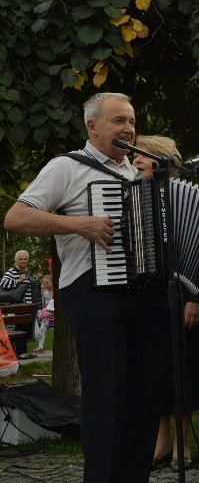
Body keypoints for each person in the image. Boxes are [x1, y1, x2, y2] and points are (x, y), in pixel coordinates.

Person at [4, 92, 170, 482]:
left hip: (144, 297)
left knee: (144, 398)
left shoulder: (137, 174)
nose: (128, 128)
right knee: (106, 398)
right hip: (94, 295)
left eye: (131, 121)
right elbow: (16, 217)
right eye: (118, 121)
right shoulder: (66, 167)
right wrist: (80, 224)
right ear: (92, 126)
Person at [133, 134, 199, 471]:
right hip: (145, 299)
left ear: (159, 160)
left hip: (183, 295)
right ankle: (162, 442)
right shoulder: (133, 194)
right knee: (153, 370)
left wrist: (196, 298)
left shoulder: (182, 195)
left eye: (140, 157)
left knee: (181, 370)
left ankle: (183, 444)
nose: (135, 162)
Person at [34, 276, 54, 354]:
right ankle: (40, 347)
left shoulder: (56, 292)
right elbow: (43, 305)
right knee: (42, 329)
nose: (45, 285)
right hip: (47, 315)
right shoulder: (45, 293)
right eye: (44, 283)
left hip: (55, 314)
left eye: (47, 283)